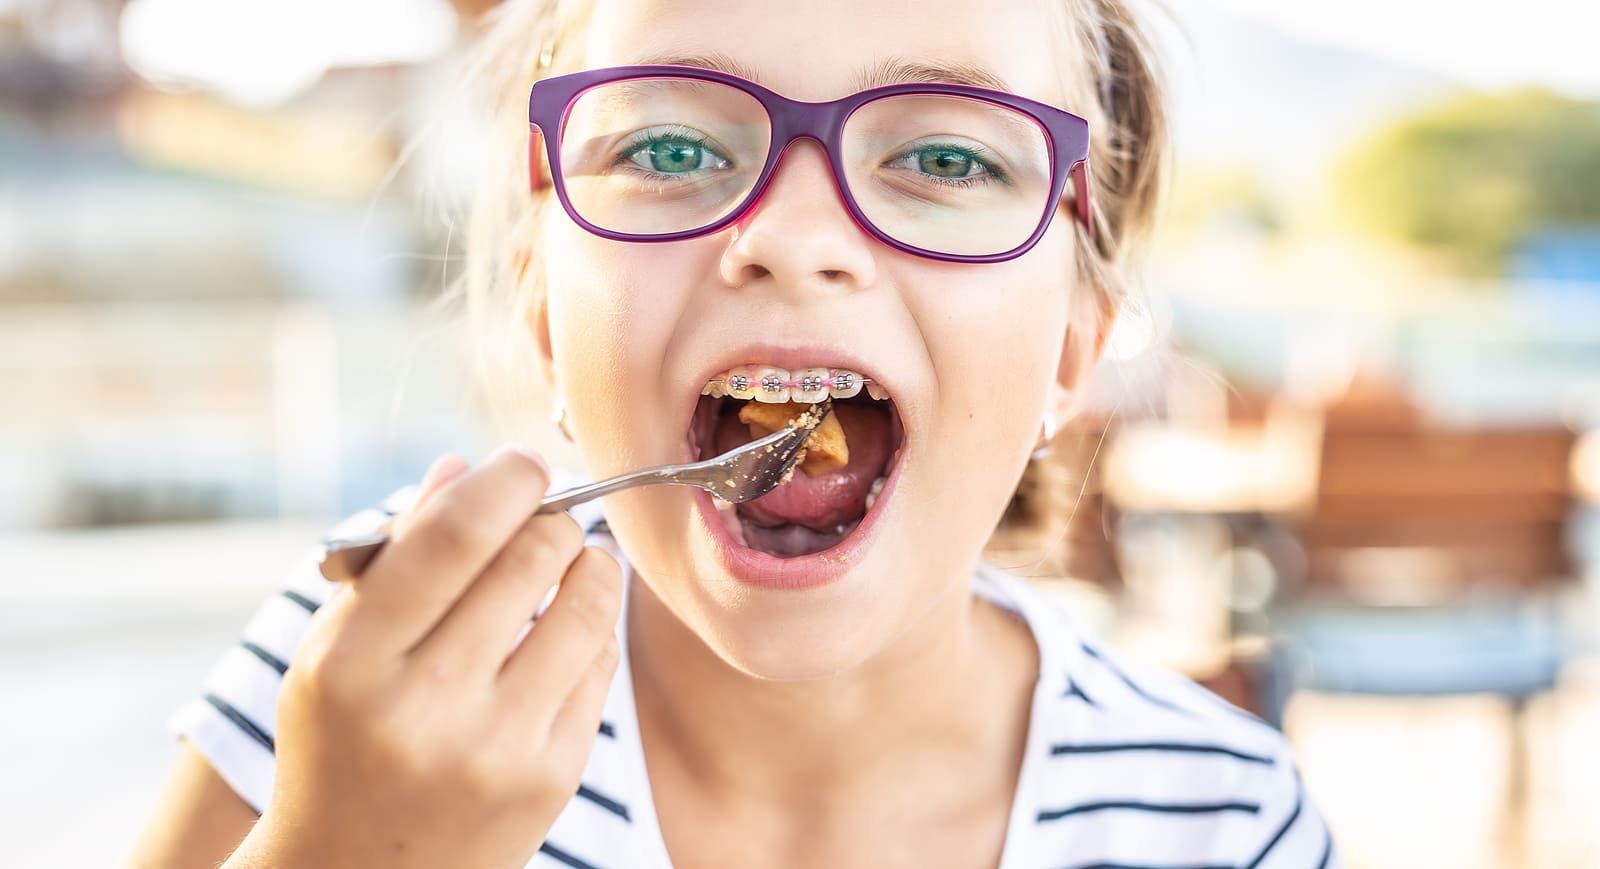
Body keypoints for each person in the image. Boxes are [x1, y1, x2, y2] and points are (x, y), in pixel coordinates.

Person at [126, 0, 1340, 865]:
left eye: (945, 156)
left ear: (1072, 351)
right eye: (667, 147)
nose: (792, 232)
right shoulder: (371, 677)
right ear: (548, 316)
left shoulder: (1220, 819)